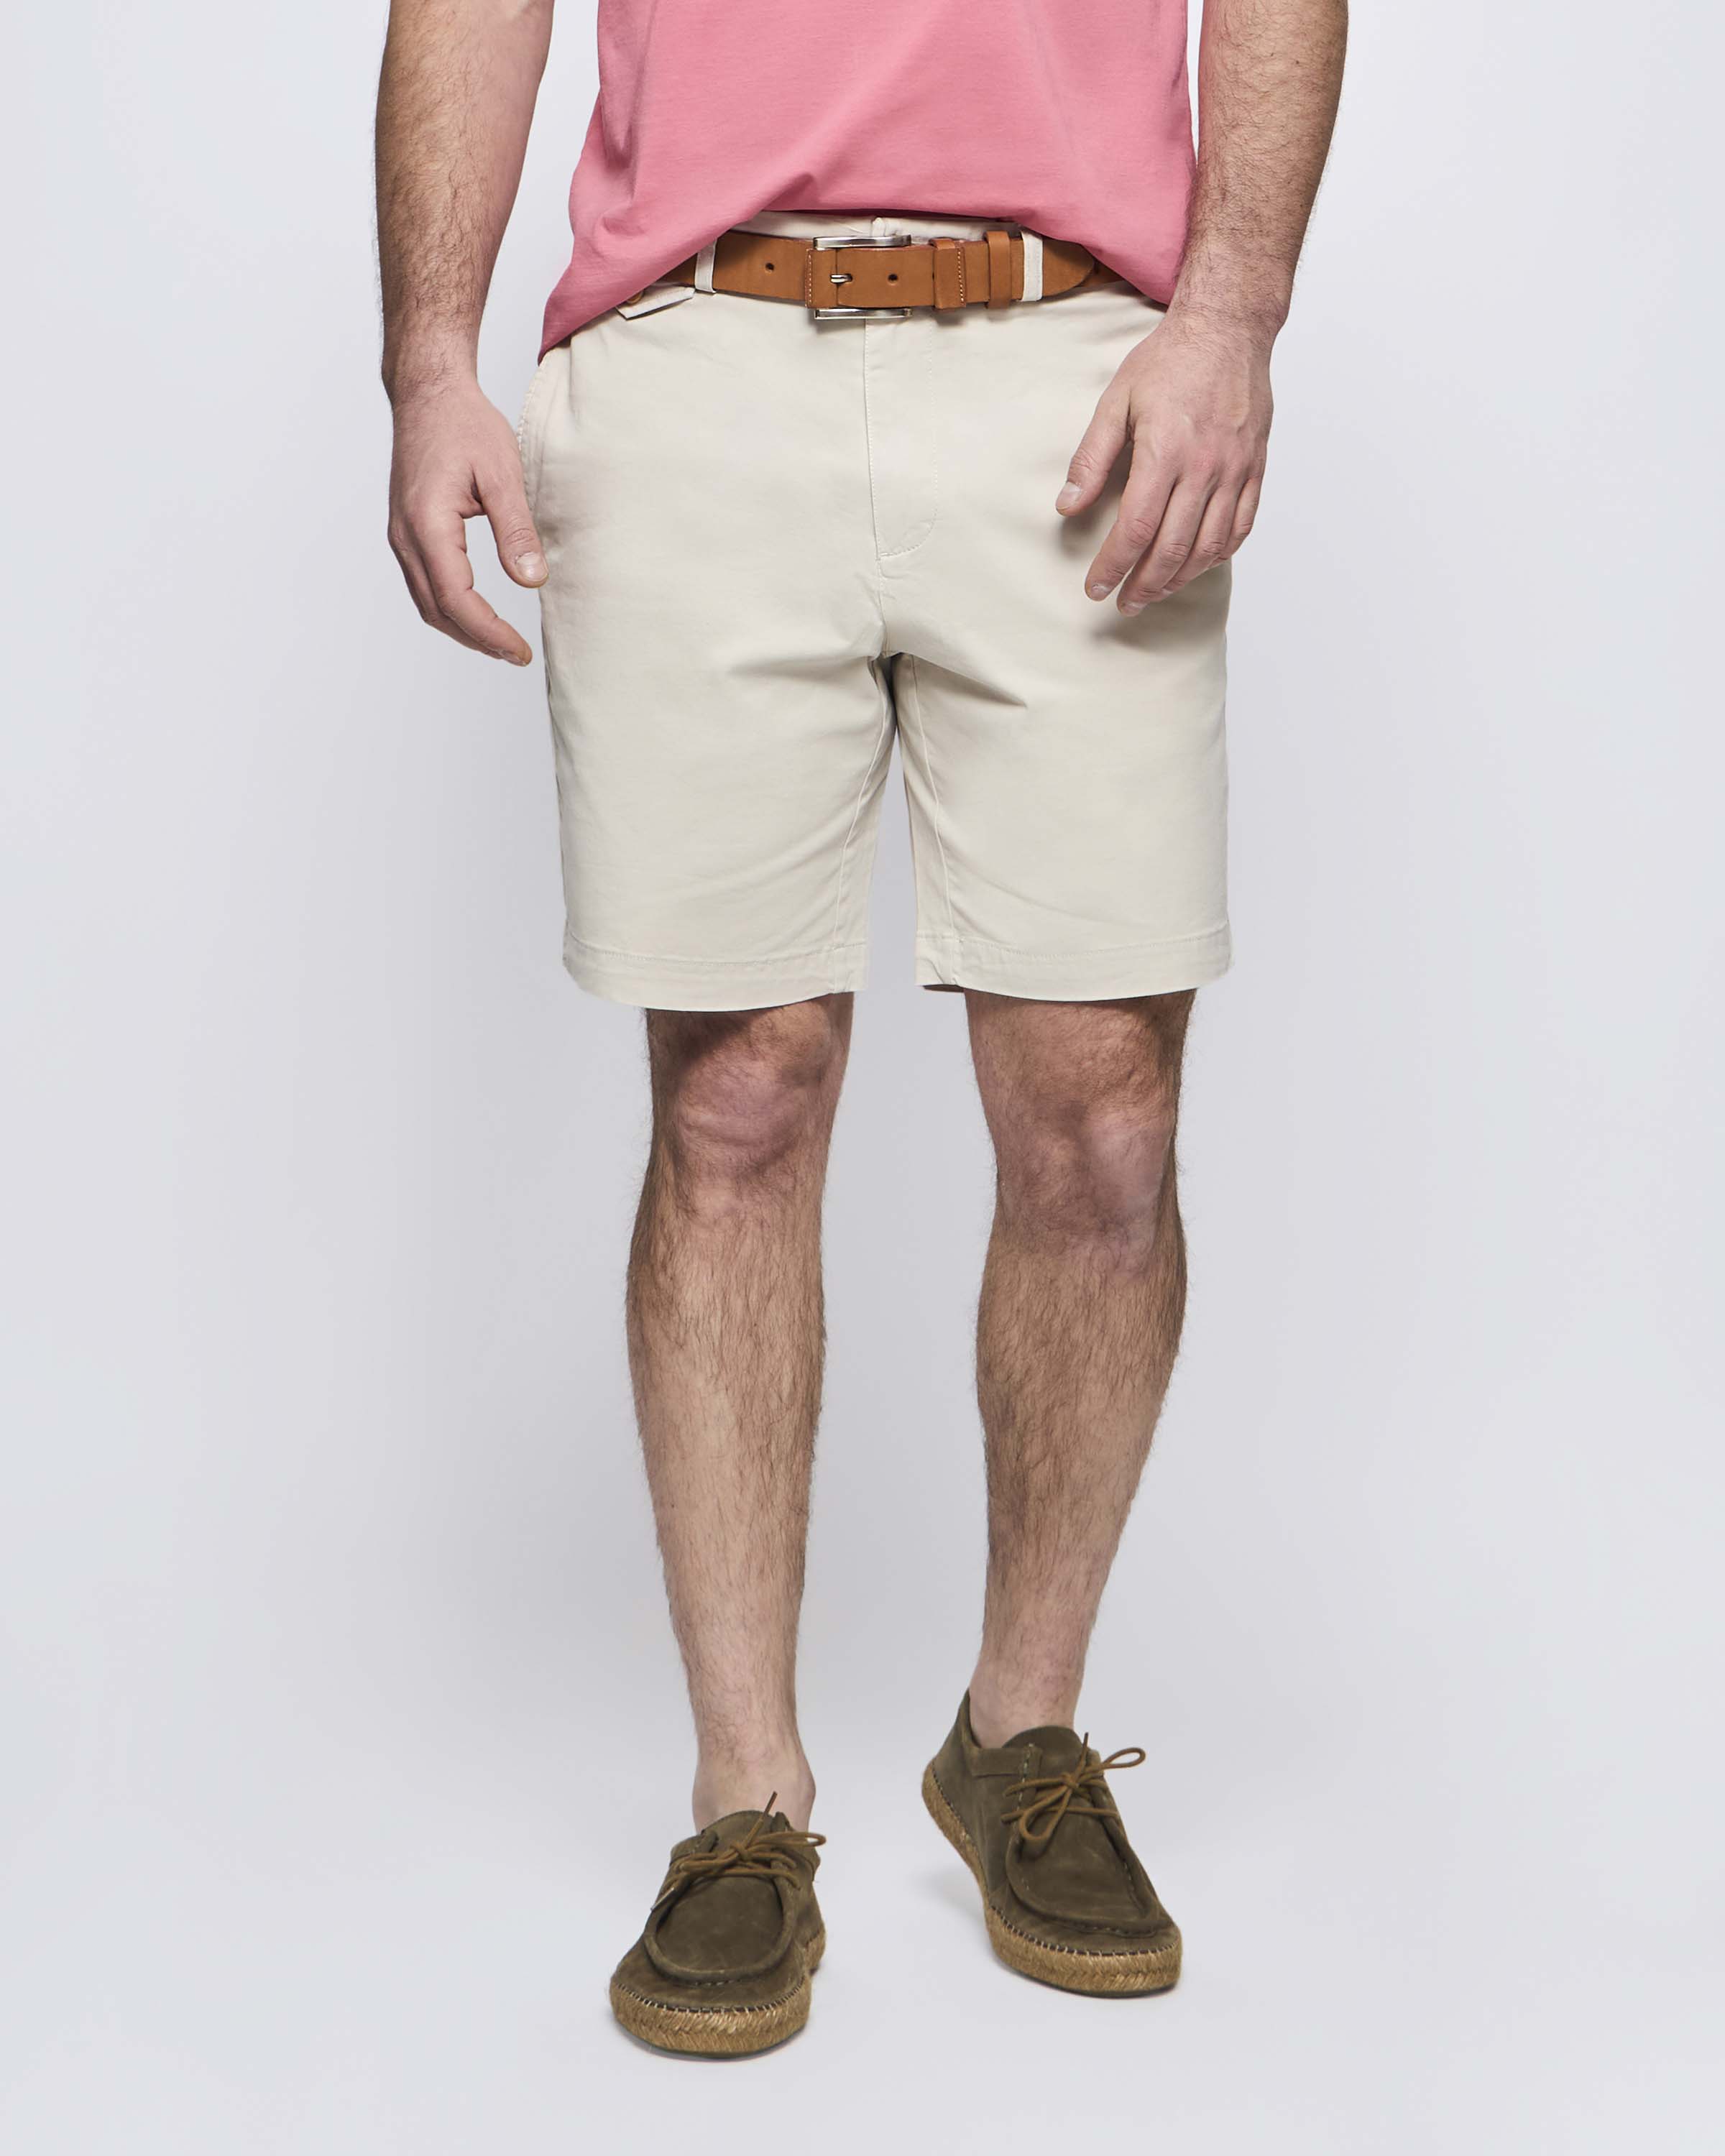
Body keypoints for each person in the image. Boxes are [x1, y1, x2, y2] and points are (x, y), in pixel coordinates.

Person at [377, 0, 1346, 2057]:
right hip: (696, 353)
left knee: (1102, 1115)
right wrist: (429, 356)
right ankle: (746, 1800)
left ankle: (1022, 1737)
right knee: (736, 1098)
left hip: (1081, 356)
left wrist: (1237, 315)